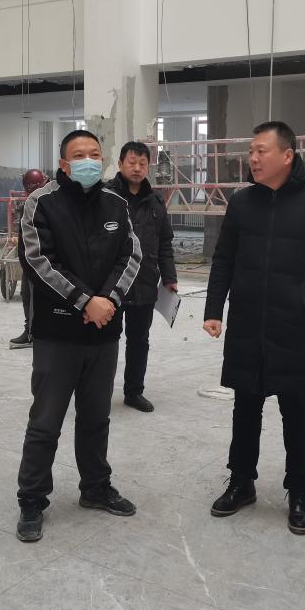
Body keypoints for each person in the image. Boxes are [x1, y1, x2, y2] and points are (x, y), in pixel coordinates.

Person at [203, 121, 305, 535]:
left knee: (295, 409)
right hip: (247, 320)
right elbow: (224, 259)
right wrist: (214, 309)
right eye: (251, 151)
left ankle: (300, 490)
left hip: (292, 323)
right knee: (245, 405)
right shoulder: (241, 203)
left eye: (261, 151)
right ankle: (241, 482)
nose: (253, 158)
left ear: (287, 155)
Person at [14, 129, 142, 543]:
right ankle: (32, 499)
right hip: (58, 334)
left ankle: (96, 487)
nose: (88, 160)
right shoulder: (41, 203)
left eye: (95, 154)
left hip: (104, 333)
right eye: (79, 155)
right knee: (45, 422)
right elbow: (38, 261)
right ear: (64, 164)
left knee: (96, 418)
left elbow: (131, 255)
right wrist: (86, 301)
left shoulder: (116, 204)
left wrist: (108, 301)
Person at [107, 142, 178, 412]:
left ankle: (134, 392)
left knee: (139, 341)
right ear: (120, 164)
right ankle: (98, 392)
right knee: (106, 342)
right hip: (110, 285)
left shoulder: (156, 201)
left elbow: (165, 243)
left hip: (145, 282)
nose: (137, 168)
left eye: (142, 163)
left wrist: (169, 277)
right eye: (132, 162)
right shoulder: (105, 196)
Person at [9, 169, 49, 350]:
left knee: (32, 297)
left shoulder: (43, 204)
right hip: (31, 259)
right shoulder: (35, 203)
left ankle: (33, 333)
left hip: (37, 261)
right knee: (27, 295)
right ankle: (32, 331)